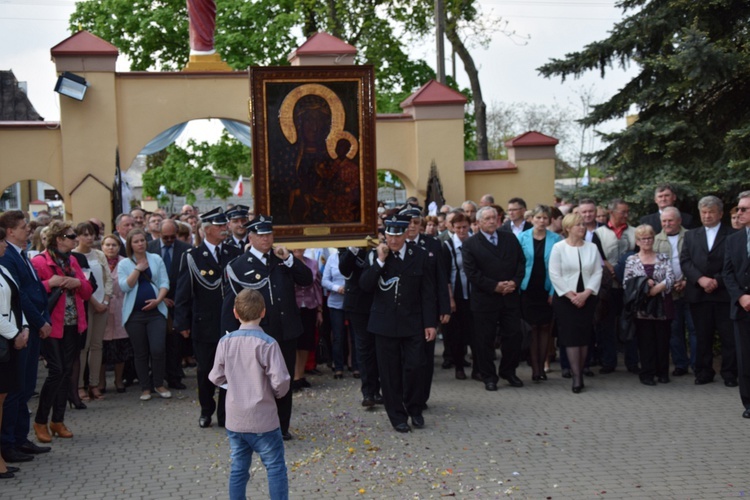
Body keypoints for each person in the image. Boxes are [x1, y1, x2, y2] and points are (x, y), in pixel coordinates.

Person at [221, 215, 312, 440]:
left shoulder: (281, 259)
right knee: (259, 383)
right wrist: (228, 334)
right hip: (258, 335)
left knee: (284, 379)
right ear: (250, 237)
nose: (266, 239)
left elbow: (306, 279)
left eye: (269, 234)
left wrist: (290, 258)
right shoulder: (238, 265)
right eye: (261, 235)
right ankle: (260, 425)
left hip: (286, 331)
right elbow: (229, 302)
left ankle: (282, 427)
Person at [209, 289, 290, 499]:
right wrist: (277, 393)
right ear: (263, 312)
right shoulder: (268, 343)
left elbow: (215, 377)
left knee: (238, 468)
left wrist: (233, 382)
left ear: (235, 313)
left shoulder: (225, 342)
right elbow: (280, 381)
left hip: (236, 419)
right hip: (263, 418)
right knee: (275, 467)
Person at [359, 215, 437, 432]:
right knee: (390, 372)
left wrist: (430, 323)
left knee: (415, 367)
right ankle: (397, 416)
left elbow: (428, 291)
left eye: (397, 235)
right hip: (384, 323)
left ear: (406, 234)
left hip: (413, 320)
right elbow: (365, 285)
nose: (393, 240)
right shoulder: (376, 255)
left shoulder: (419, 255)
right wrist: (380, 262)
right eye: (389, 235)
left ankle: (415, 409)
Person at [175, 208, 242, 428]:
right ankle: (206, 410)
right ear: (206, 230)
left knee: (229, 371)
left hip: (230, 322)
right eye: (220, 226)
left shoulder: (233, 252)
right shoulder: (193, 257)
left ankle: (225, 413)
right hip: (204, 323)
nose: (225, 229)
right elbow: (183, 292)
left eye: (225, 225)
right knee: (205, 370)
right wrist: (182, 322)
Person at [31, 221, 93, 442]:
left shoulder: (72, 260)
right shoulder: (39, 261)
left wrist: (77, 281)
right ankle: (40, 421)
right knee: (56, 371)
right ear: (59, 239)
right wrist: (51, 283)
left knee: (66, 373)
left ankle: (57, 421)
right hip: (51, 326)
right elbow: (32, 293)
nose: (75, 238)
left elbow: (87, 291)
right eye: (71, 235)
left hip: (73, 324)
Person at [0, 211, 52, 463]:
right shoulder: (7, 256)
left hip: (29, 327)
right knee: (16, 389)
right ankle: (10, 442)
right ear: (10, 231)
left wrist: (43, 318)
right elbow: (20, 296)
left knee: (27, 386)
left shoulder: (20, 253)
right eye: (23, 228)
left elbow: (34, 287)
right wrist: (38, 321)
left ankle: (20, 438)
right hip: (21, 330)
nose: (28, 232)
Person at [462, 206, 526, 391]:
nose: (492, 221)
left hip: (510, 297)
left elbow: (521, 262)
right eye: (487, 218)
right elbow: (472, 273)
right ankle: (489, 376)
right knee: (484, 340)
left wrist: (514, 282)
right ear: (479, 222)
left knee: (514, 335)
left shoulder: (509, 238)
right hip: (485, 300)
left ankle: (509, 371)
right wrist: (494, 286)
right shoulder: (471, 244)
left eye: (494, 218)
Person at [680, 195, 737, 386]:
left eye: (711, 212)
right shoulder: (690, 235)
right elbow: (685, 261)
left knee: (728, 337)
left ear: (720, 214)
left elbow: (734, 263)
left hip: (723, 294)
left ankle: (730, 374)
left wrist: (717, 281)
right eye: (703, 212)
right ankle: (704, 372)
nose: (706, 216)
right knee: (702, 336)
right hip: (699, 293)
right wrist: (701, 279)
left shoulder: (731, 235)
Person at [549, 213, 602, 393]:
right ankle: (576, 376)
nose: (582, 227)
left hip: (587, 297)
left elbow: (597, 272)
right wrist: (571, 296)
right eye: (578, 225)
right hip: (565, 298)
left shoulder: (592, 248)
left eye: (583, 225)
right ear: (568, 228)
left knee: (584, 335)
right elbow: (554, 274)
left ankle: (581, 370)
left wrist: (586, 293)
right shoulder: (558, 247)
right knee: (571, 336)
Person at [117, 228, 171, 402]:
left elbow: (164, 283)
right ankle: (145, 387)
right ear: (130, 245)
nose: (140, 244)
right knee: (140, 352)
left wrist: (158, 300)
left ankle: (159, 383)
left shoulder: (156, 259)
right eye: (136, 241)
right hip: (135, 315)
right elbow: (125, 287)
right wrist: (137, 270)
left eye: (142, 240)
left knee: (158, 348)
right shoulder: (124, 264)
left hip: (156, 312)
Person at [623, 225, 675, 386]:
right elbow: (627, 283)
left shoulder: (663, 257)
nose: (646, 241)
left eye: (649, 238)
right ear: (637, 241)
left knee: (662, 339)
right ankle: (647, 373)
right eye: (643, 238)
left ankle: (662, 372)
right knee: (646, 341)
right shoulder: (631, 260)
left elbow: (671, 277)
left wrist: (659, 287)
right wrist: (644, 285)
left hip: (662, 305)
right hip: (642, 307)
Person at [517, 205, 563, 382]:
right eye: (538, 218)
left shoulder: (556, 239)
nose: (542, 221)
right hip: (527, 288)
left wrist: (553, 292)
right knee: (531, 329)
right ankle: (535, 368)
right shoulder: (522, 237)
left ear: (550, 220)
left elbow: (558, 267)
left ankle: (542, 367)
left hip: (547, 288)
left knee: (544, 329)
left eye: (545, 218)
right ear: (532, 219)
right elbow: (518, 263)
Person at [592, 198, 637, 374]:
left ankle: (632, 362)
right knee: (607, 325)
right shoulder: (599, 233)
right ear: (611, 212)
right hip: (608, 286)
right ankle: (608, 361)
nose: (626, 215)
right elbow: (599, 256)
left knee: (630, 324)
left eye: (627, 212)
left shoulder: (634, 232)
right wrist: (613, 272)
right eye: (622, 212)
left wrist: (622, 273)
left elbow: (637, 254)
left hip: (629, 286)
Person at [147, 219, 191, 390]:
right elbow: (146, 277)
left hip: (178, 302)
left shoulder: (186, 250)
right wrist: (160, 296)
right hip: (155, 300)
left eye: (173, 237)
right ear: (159, 234)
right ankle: (156, 377)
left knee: (175, 342)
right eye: (166, 237)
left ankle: (174, 376)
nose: (169, 240)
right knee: (156, 342)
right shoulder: (150, 248)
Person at [0, 227, 29, 478]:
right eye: (1, 241)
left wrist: (25, 327)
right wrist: (15, 334)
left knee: (7, 397)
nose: (5, 245)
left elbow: (15, 302)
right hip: (5, 342)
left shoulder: (3, 268)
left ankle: (2, 455)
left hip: (11, 339)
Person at [652, 207, 695, 376]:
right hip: (669, 293)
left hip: (690, 290)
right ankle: (680, 365)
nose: (667, 224)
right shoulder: (656, 240)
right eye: (664, 221)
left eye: (670, 220)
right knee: (674, 331)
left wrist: (686, 280)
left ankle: (697, 365)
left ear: (679, 221)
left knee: (694, 330)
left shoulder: (692, 236)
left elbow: (696, 261)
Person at [74, 222, 113, 402]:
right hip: (85, 304)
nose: (89, 238)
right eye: (85, 234)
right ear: (77, 236)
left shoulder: (98, 254)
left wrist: (105, 300)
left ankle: (94, 384)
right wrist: (94, 302)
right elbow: (81, 283)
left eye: (92, 234)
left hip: (102, 304)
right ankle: (79, 385)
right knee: (84, 346)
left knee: (98, 345)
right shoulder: (73, 256)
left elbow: (108, 279)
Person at [339, 246, 381, 407]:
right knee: (364, 349)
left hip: (379, 302)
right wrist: (354, 248)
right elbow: (344, 268)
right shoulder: (348, 245)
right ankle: (368, 392)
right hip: (358, 305)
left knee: (380, 348)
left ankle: (379, 390)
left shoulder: (381, 243)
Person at [722, 191, 750, 419]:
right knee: (745, 357)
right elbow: (728, 273)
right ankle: (749, 402)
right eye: (738, 209)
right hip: (742, 308)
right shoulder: (733, 240)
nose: (738, 213)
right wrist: (741, 296)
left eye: (743, 209)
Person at [442, 212, 473, 380]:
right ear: (452, 228)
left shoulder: (474, 242)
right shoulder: (447, 246)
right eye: (458, 227)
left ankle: (478, 368)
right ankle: (458, 366)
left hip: (474, 294)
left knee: (474, 332)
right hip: (456, 293)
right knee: (457, 333)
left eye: (464, 227)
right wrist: (450, 299)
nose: (461, 230)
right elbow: (445, 274)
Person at [100, 235, 132, 393]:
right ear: (102, 246)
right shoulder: (98, 262)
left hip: (121, 307)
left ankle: (119, 381)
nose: (111, 248)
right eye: (107, 245)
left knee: (121, 347)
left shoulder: (125, 262)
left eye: (114, 245)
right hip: (102, 308)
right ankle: (100, 382)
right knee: (102, 348)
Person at [292, 248, 323, 387]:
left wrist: (319, 310)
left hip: (309, 306)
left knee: (306, 342)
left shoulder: (313, 263)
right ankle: (294, 376)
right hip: (293, 307)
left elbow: (317, 287)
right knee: (295, 342)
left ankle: (301, 375)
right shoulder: (286, 262)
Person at [322, 249, 348, 381]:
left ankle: (356, 365)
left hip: (353, 301)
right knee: (338, 335)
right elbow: (324, 281)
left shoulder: (354, 256)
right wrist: (337, 288)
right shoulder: (332, 259)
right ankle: (338, 366)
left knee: (355, 335)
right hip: (336, 303)